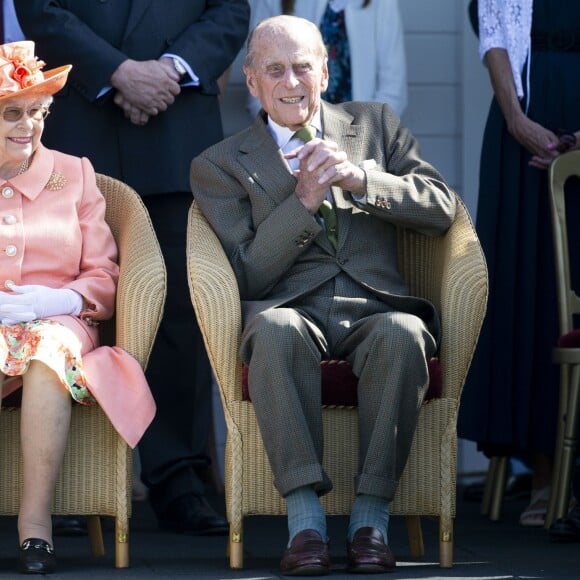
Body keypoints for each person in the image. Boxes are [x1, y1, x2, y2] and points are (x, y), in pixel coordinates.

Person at [190, 15, 456, 575]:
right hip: (292, 308)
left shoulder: (375, 125)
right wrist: (303, 202)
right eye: (275, 70)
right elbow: (248, 275)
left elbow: (441, 207)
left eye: (302, 67)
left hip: (377, 304)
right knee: (275, 330)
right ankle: (305, 524)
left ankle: (370, 521)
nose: (291, 82)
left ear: (325, 70)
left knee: (405, 334)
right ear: (252, 80)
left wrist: (363, 180)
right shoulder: (219, 165)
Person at [15, 0, 251, 536]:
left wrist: (168, 72)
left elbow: (231, 10)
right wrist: (117, 72)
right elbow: (39, 7)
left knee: (177, 315)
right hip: (77, 122)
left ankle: (180, 478)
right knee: (63, 307)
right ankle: (65, 483)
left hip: (179, 127)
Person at [0, 40, 155, 574]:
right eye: (11, 113)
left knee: (46, 349)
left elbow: (106, 277)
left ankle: (35, 528)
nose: (27, 125)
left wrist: (56, 298)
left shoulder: (76, 174)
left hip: (64, 321)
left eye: (36, 113)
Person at [458, 0, 580, 528]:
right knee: (527, 294)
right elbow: (494, 37)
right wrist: (516, 118)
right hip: (518, 127)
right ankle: (545, 472)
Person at [246, 0, 407, 117]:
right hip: (290, 141)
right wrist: (290, 137)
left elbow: (393, 90)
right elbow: (259, 77)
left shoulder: (380, 4)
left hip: (362, 141)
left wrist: (361, 139)